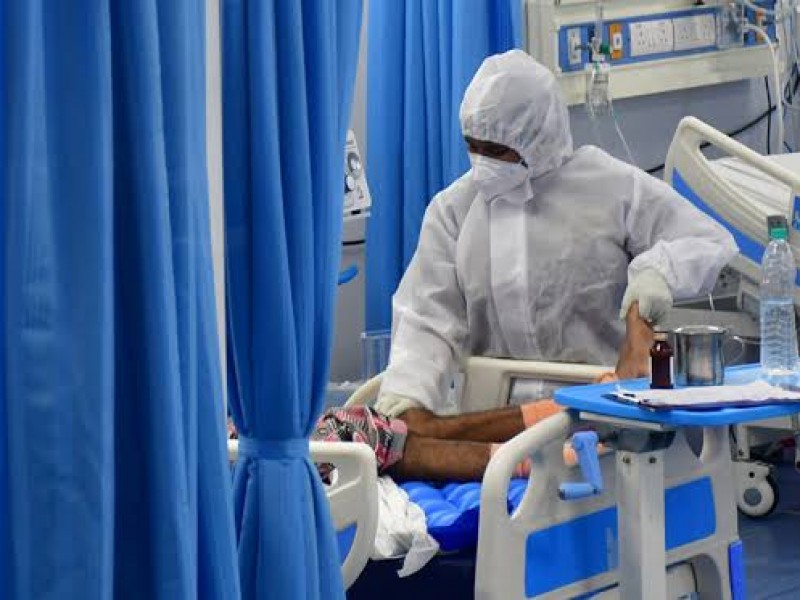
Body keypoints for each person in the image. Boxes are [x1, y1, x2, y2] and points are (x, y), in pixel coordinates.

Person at [374, 49, 738, 421]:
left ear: (537, 138)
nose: (483, 163)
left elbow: (707, 240)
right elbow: (426, 318)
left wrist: (658, 272)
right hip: (495, 420)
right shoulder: (454, 210)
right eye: (473, 147)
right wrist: (406, 395)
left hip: (602, 410)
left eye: (497, 150)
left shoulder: (610, 187)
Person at [227, 305, 651, 482]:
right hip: (298, 451)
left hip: (287, 445)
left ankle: (557, 429)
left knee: (405, 433)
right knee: (404, 441)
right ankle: (554, 432)